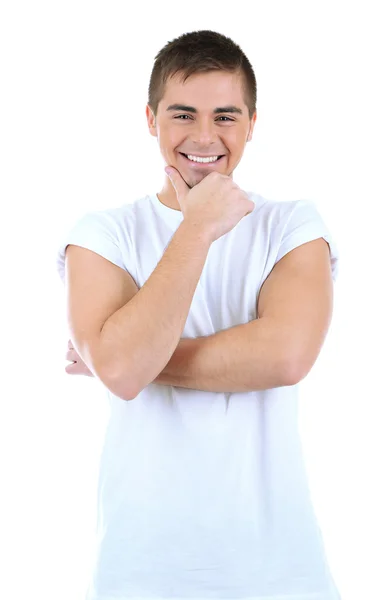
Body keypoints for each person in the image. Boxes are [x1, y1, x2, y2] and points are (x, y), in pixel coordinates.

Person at [57, 29, 341, 600]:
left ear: (253, 124)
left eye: (226, 117)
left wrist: (131, 360)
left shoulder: (293, 226)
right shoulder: (103, 234)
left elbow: (286, 357)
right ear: (151, 118)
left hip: (281, 572)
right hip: (142, 572)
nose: (205, 137)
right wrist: (198, 226)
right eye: (183, 115)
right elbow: (120, 366)